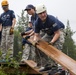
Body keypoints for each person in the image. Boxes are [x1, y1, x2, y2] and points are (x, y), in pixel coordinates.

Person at [33, 4, 65, 71]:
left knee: (54, 48)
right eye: (41, 13)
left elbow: (57, 33)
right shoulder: (37, 23)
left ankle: (54, 67)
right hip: (49, 33)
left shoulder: (51, 19)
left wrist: (51, 42)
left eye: (44, 12)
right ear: (38, 14)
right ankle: (47, 65)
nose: (43, 15)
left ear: (46, 11)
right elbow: (36, 35)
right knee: (40, 46)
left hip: (59, 31)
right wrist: (35, 41)